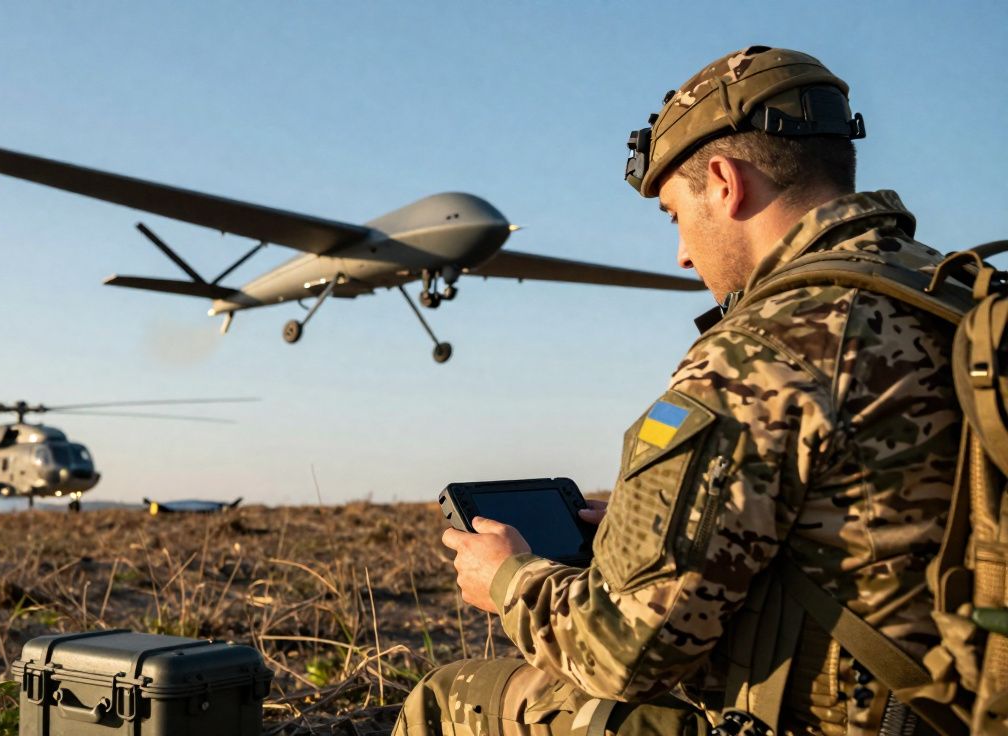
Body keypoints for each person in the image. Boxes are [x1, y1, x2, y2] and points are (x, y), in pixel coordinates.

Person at [393, 46, 958, 736]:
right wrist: (660, 531)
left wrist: (507, 581)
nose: (684, 255)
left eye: (673, 214)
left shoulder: (764, 349)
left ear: (724, 182)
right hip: (963, 709)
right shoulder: (956, 301)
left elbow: (620, 655)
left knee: (451, 698)